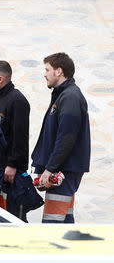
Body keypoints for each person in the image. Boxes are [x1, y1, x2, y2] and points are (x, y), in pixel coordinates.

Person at [32, 52, 90, 223]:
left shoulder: (70, 97)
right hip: (62, 170)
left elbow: (67, 138)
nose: (45, 74)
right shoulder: (63, 95)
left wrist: (50, 168)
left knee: (52, 226)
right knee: (64, 223)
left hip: (62, 171)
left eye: (47, 69)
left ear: (59, 71)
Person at [0, 60, 30, 218]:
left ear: (0, 79)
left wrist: (13, 164)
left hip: (11, 171)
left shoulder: (17, 100)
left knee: (14, 215)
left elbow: (20, 136)